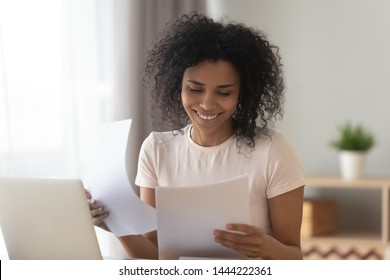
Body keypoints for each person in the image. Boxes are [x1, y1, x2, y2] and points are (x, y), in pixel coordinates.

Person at [88, 12, 305, 260]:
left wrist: (264, 246)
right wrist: (116, 225)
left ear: (242, 94)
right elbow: (154, 257)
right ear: (177, 86)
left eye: (223, 93)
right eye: (195, 89)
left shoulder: (272, 150)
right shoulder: (157, 149)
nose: (207, 104)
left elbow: (294, 256)